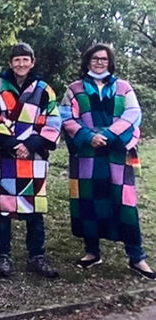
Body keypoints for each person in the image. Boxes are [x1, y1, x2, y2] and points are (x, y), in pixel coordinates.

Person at [59, 44, 154, 280]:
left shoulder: (123, 87)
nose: (99, 62)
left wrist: (110, 135)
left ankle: (136, 257)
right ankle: (92, 252)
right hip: (88, 153)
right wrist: (88, 136)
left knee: (125, 204)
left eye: (104, 59)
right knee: (88, 200)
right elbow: (65, 116)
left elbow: (133, 114)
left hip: (117, 154)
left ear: (110, 62)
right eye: (95, 58)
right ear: (87, 61)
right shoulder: (74, 89)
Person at [0, 43, 61, 279]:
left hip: (33, 157)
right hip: (5, 155)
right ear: (10, 63)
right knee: (3, 209)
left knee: (35, 209)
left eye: (25, 60)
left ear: (32, 62)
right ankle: (3, 257)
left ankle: (37, 257)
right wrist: (13, 144)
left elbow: (53, 120)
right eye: (17, 60)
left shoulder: (45, 89)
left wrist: (31, 144)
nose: (21, 64)